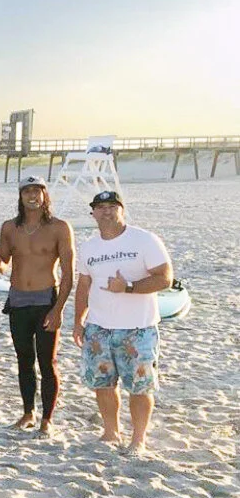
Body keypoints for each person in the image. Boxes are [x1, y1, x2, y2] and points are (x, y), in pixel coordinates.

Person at [72, 191, 172, 454]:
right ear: (92, 213)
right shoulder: (89, 246)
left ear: (122, 210)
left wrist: (127, 287)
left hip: (137, 328)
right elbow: (83, 284)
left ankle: (138, 439)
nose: (106, 212)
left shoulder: (144, 240)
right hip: (98, 327)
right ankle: (110, 432)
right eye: (100, 207)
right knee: (102, 384)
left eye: (112, 207)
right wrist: (77, 320)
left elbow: (164, 278)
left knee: (139, 387)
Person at [0, 176, 75, 435]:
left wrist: (58, 308)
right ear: (20, 196)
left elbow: (68, 273)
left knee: (47, 361)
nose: (32, 196)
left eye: (37, 191)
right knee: (24, 359)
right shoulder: (9, 227)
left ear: (45, 195)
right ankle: (28, 412)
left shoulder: (59, 227)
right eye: (26, 191)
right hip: (18, 299)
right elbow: (3, 262)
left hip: (45, 300)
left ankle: (47, 419)